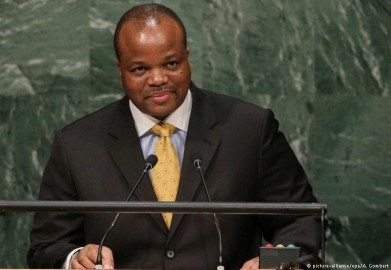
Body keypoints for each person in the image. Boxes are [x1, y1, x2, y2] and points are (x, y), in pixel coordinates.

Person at [27, 3, 322, 270]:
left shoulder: (249, 129)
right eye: (140, 69)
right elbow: (44, 248)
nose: (157, 79)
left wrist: (274, 262)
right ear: (120, 70)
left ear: (187, 57)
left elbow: (305, 224)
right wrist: (75, 258)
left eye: (171, 64)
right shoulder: (77, 145)